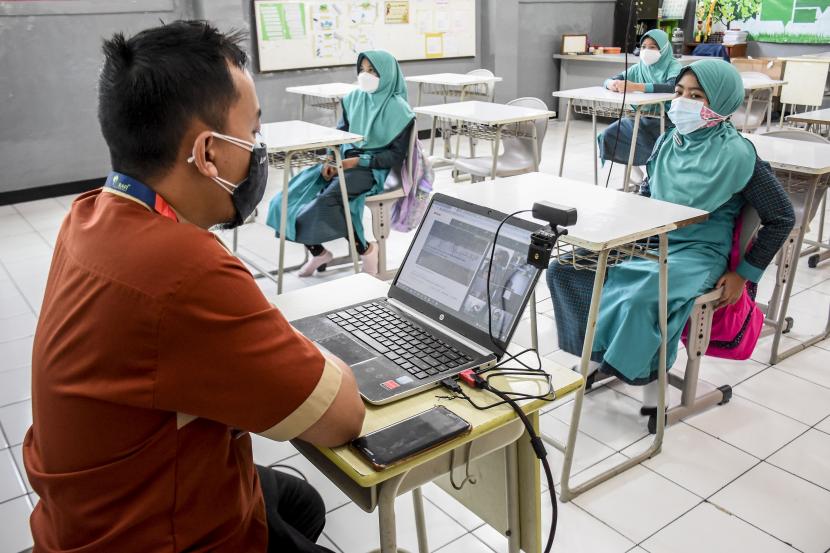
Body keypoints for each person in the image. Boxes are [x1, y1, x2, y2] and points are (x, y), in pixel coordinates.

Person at [23, 21, 365, 553]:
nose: (257, 149)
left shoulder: (89, 215)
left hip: (85, 514)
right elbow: (344, 418)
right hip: (152, 536)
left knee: (301, 502)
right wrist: (323, 355)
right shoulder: (185, 271)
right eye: (252, 132)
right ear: (208, 153)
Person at [548, 59, 795, 413]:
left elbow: (782, 217)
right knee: (569, 268)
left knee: (644, 295)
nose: (684, 102)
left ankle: (650, 387)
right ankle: (594, 356)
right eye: (679, 92)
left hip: (699, 252)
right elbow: (648, 195)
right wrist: (613, 222)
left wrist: (744, 275)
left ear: (721, 103)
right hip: (651, 237)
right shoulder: (668, 141)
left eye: (697, 95)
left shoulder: (741, 156)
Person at [266, 50, 416, 277]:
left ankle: (365, 250)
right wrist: (330, 158)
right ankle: (319, 253)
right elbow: (339, 134)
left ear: (386, 74)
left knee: (328, 201)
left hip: (373, 168)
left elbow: (394, 156)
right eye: (362, 70)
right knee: (287, 198)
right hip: (343, 160)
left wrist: (357, 161)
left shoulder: (400, 110)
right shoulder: (353, 99)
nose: (365, 75)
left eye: (372, 70)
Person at [599, 29, 681, 183]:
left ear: (664, 48)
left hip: (666, 119)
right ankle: (634, 171)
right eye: (643, 46)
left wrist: (636, 86)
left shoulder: (673, 65)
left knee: (655, 143)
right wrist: (612, 84)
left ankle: (651, 176)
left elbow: (671, 86)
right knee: (610, 134)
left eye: (652, 47)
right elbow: (610, 79)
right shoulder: (639, 67)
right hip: (640, 117)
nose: (646, 51)